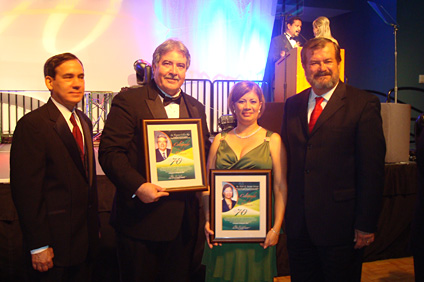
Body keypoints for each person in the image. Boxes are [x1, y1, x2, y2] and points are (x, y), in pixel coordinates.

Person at [98, 38, 211, 282]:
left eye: (180, 66)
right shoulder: (129, 101)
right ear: (154, 65)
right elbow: (110, 152)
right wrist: (139, 186)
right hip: (140, 221)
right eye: (167, 63)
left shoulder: (196, 108)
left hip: (183, 224)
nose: (173, 71)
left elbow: (202, 155)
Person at [281, 37, 386, 281]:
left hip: (342, 227)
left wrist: (366, 223)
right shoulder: (292, 105)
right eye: (314, 62)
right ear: (305, 67)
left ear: (339, 63)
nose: (321, 67)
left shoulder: (363, 104)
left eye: (328, 60)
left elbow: (372, 170)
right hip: (299, 227)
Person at [10, 53, 99, 282]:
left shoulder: (84, 122)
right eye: (68, 77)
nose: (77, 83)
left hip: (85, 245)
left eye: (81, 76)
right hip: (53, 248)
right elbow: (26, 193)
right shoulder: (33, 125)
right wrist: (38, 245)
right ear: (50, 82)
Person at [202, 81, 287, 282]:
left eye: (252, 101)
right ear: (233, 105)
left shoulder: (272, 140)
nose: (247, 106)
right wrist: (208, 219)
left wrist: (276, 228)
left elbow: (280, 187)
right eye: (241, 101)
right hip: (223, 231)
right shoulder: (219, 141)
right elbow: (208, 187)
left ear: (260, 105)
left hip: (258, 232)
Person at [263, 16, 303, 100]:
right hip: (280, 82)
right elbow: (272, 58)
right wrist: (282, 57)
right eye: (297, 26)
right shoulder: (277, 40)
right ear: (289, 26)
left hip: (295, 82)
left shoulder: (299, 43)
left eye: (300, 26)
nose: (299, 28)